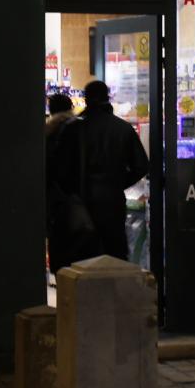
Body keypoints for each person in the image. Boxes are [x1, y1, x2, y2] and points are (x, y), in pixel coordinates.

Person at [56, 80, 149, 263]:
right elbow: (141, 166)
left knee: (83, 260)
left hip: (82, 205)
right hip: (112, 203)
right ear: (108, 98)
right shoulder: (123, 129)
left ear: (86, 99)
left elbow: (61, 171)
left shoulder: (73, 129)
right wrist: (118, 182)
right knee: (114, 257)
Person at [45, 93, 80, 273]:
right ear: (71, 107)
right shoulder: (80, 128)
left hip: (54, 200)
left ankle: (62, 280)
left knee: (59, 244)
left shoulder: (47, 132)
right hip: (78, 198)